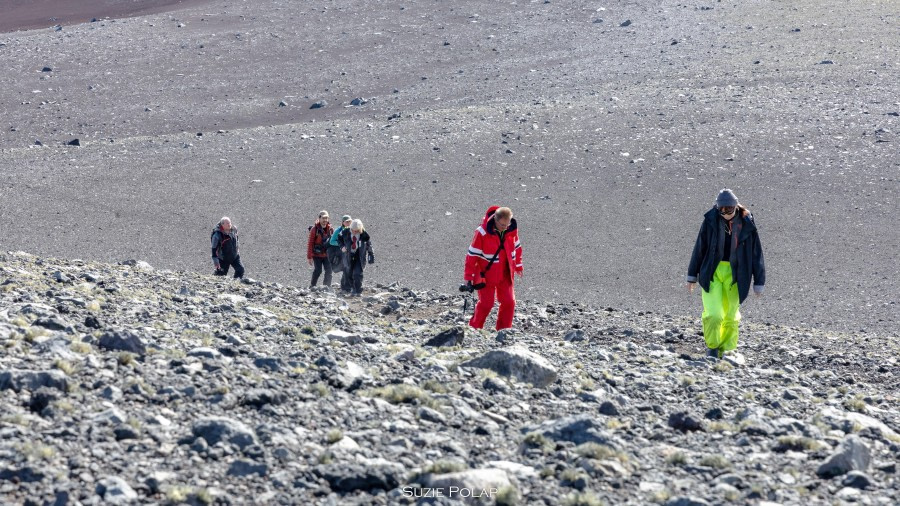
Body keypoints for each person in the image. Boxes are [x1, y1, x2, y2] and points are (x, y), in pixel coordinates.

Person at [686, 189, 765, 359]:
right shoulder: (710, 221)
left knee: (730, 316)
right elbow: (700, 247)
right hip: (712, 273)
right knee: (714, 314)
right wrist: (692, 275)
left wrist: (759, 282)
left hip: (737, 275)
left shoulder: (747, 224)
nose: (725, 213)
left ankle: (728, 350)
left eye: (728, 209)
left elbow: (756, 252)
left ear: (736, 207)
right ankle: (712, 348)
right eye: (721, 210)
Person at [464, 206, 524, 330]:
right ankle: (474, 328)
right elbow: (472, 256)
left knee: (509, 302)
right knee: (486, 304)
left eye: (507, 224)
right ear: (495, 220)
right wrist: (468, 277)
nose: (505, 227)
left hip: (506, 273)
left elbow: (517, 248)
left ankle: (504, 331)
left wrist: (518, 265)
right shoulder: (481, 232)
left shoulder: (511, 230)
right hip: (486, 275)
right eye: (502, 225)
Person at [340, 219, 374, 296]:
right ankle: (352, 288)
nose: (354, 232)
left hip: (359, 255)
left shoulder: (364, 234)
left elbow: (369, 245)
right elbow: (339, 239)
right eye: (353, 230)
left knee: (358, 273)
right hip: (348, 255)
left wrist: (371, 255)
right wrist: (342, 246)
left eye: (357, 231)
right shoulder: (345, 232)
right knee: (349, 272)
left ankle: (358, 290)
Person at [307, 210, 334, 288]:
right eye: (323, 218)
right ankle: (312, 286)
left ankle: (326, 287)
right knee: (318, 271)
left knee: (329, 271)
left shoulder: (331, 230)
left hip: (327, 255)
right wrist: (309, 257)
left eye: (326, 218)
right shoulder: (314, 230)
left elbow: (334, 242)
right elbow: (310, 243)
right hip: (317, 255)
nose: (325, 220)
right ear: (319, 218)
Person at [329, 215, 352, 292]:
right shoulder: (338, 230)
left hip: (349, 253)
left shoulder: (353, 230)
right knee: (345, 269)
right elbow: (332, 241)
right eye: (347, 221)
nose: (348, 223)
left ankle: (347, 286)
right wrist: (342, 245)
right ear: (343, 222)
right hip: (340, 253)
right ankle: (344, 287)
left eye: (350, 221)